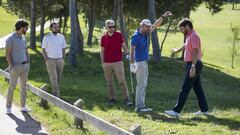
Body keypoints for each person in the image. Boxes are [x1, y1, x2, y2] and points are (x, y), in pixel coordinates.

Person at [165, 18, 209, 118]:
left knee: (185, 88)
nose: (181, 31)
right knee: (198, 88)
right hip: (193, 64)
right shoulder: (190, 35)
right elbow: (185, 45)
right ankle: (204, 110)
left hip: (194, 64)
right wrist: (176, 50)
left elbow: (195, 51)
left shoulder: (193, 36)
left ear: (187, 27)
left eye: (181, 29)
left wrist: (193, 66)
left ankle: (176, 111)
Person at [130, 11, 172, 112]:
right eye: (147, 26)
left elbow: (156, 25)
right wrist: (132, 63)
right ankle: (139, 107)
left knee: (143, 84)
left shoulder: (146, 33)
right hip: (139, 63)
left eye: (149, 26)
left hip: (144, 62)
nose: (149, 28)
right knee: (141, 85)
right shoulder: (136, 36)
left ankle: (142, 105)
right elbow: (132, 50)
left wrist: (162, 17)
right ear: (142, 25)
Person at [100, 19, 132, 106]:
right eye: (110, 27)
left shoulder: (119, 35)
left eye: (113, 26)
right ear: (107, 27)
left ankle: (126, 98)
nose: (112, 28)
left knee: (121, 80)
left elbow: (124, 46)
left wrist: (127, 54)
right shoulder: (103, 37)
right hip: (107, 63)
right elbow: (102, 51)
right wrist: (103, 63)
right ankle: (112, 98)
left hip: (118, 62)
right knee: (109, 82)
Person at [5, 19, 30, 114]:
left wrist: (28, 62)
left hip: (25, 66)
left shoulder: (23, 38)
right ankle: (8, 107)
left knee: (24, 87)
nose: (27, 29)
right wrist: (12, 66)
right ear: (21, 27)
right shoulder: (10, 39)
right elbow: (7, 54)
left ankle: (23, 106)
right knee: (12, 87)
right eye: (26, 27)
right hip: (16, 67)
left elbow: (26, 50)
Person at [42, 22, 66, 98]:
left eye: (57, 27)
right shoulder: (47, 37)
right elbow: (43, 49)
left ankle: (55, 92)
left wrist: (63, 58)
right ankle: (56, 96)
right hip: (50, 61)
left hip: (60, 60)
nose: (56, 29)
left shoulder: (61, 36)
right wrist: (46, 59)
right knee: (54, 78)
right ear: (51, 28)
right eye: (55, 27)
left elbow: (63, 48)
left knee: (58, 78)